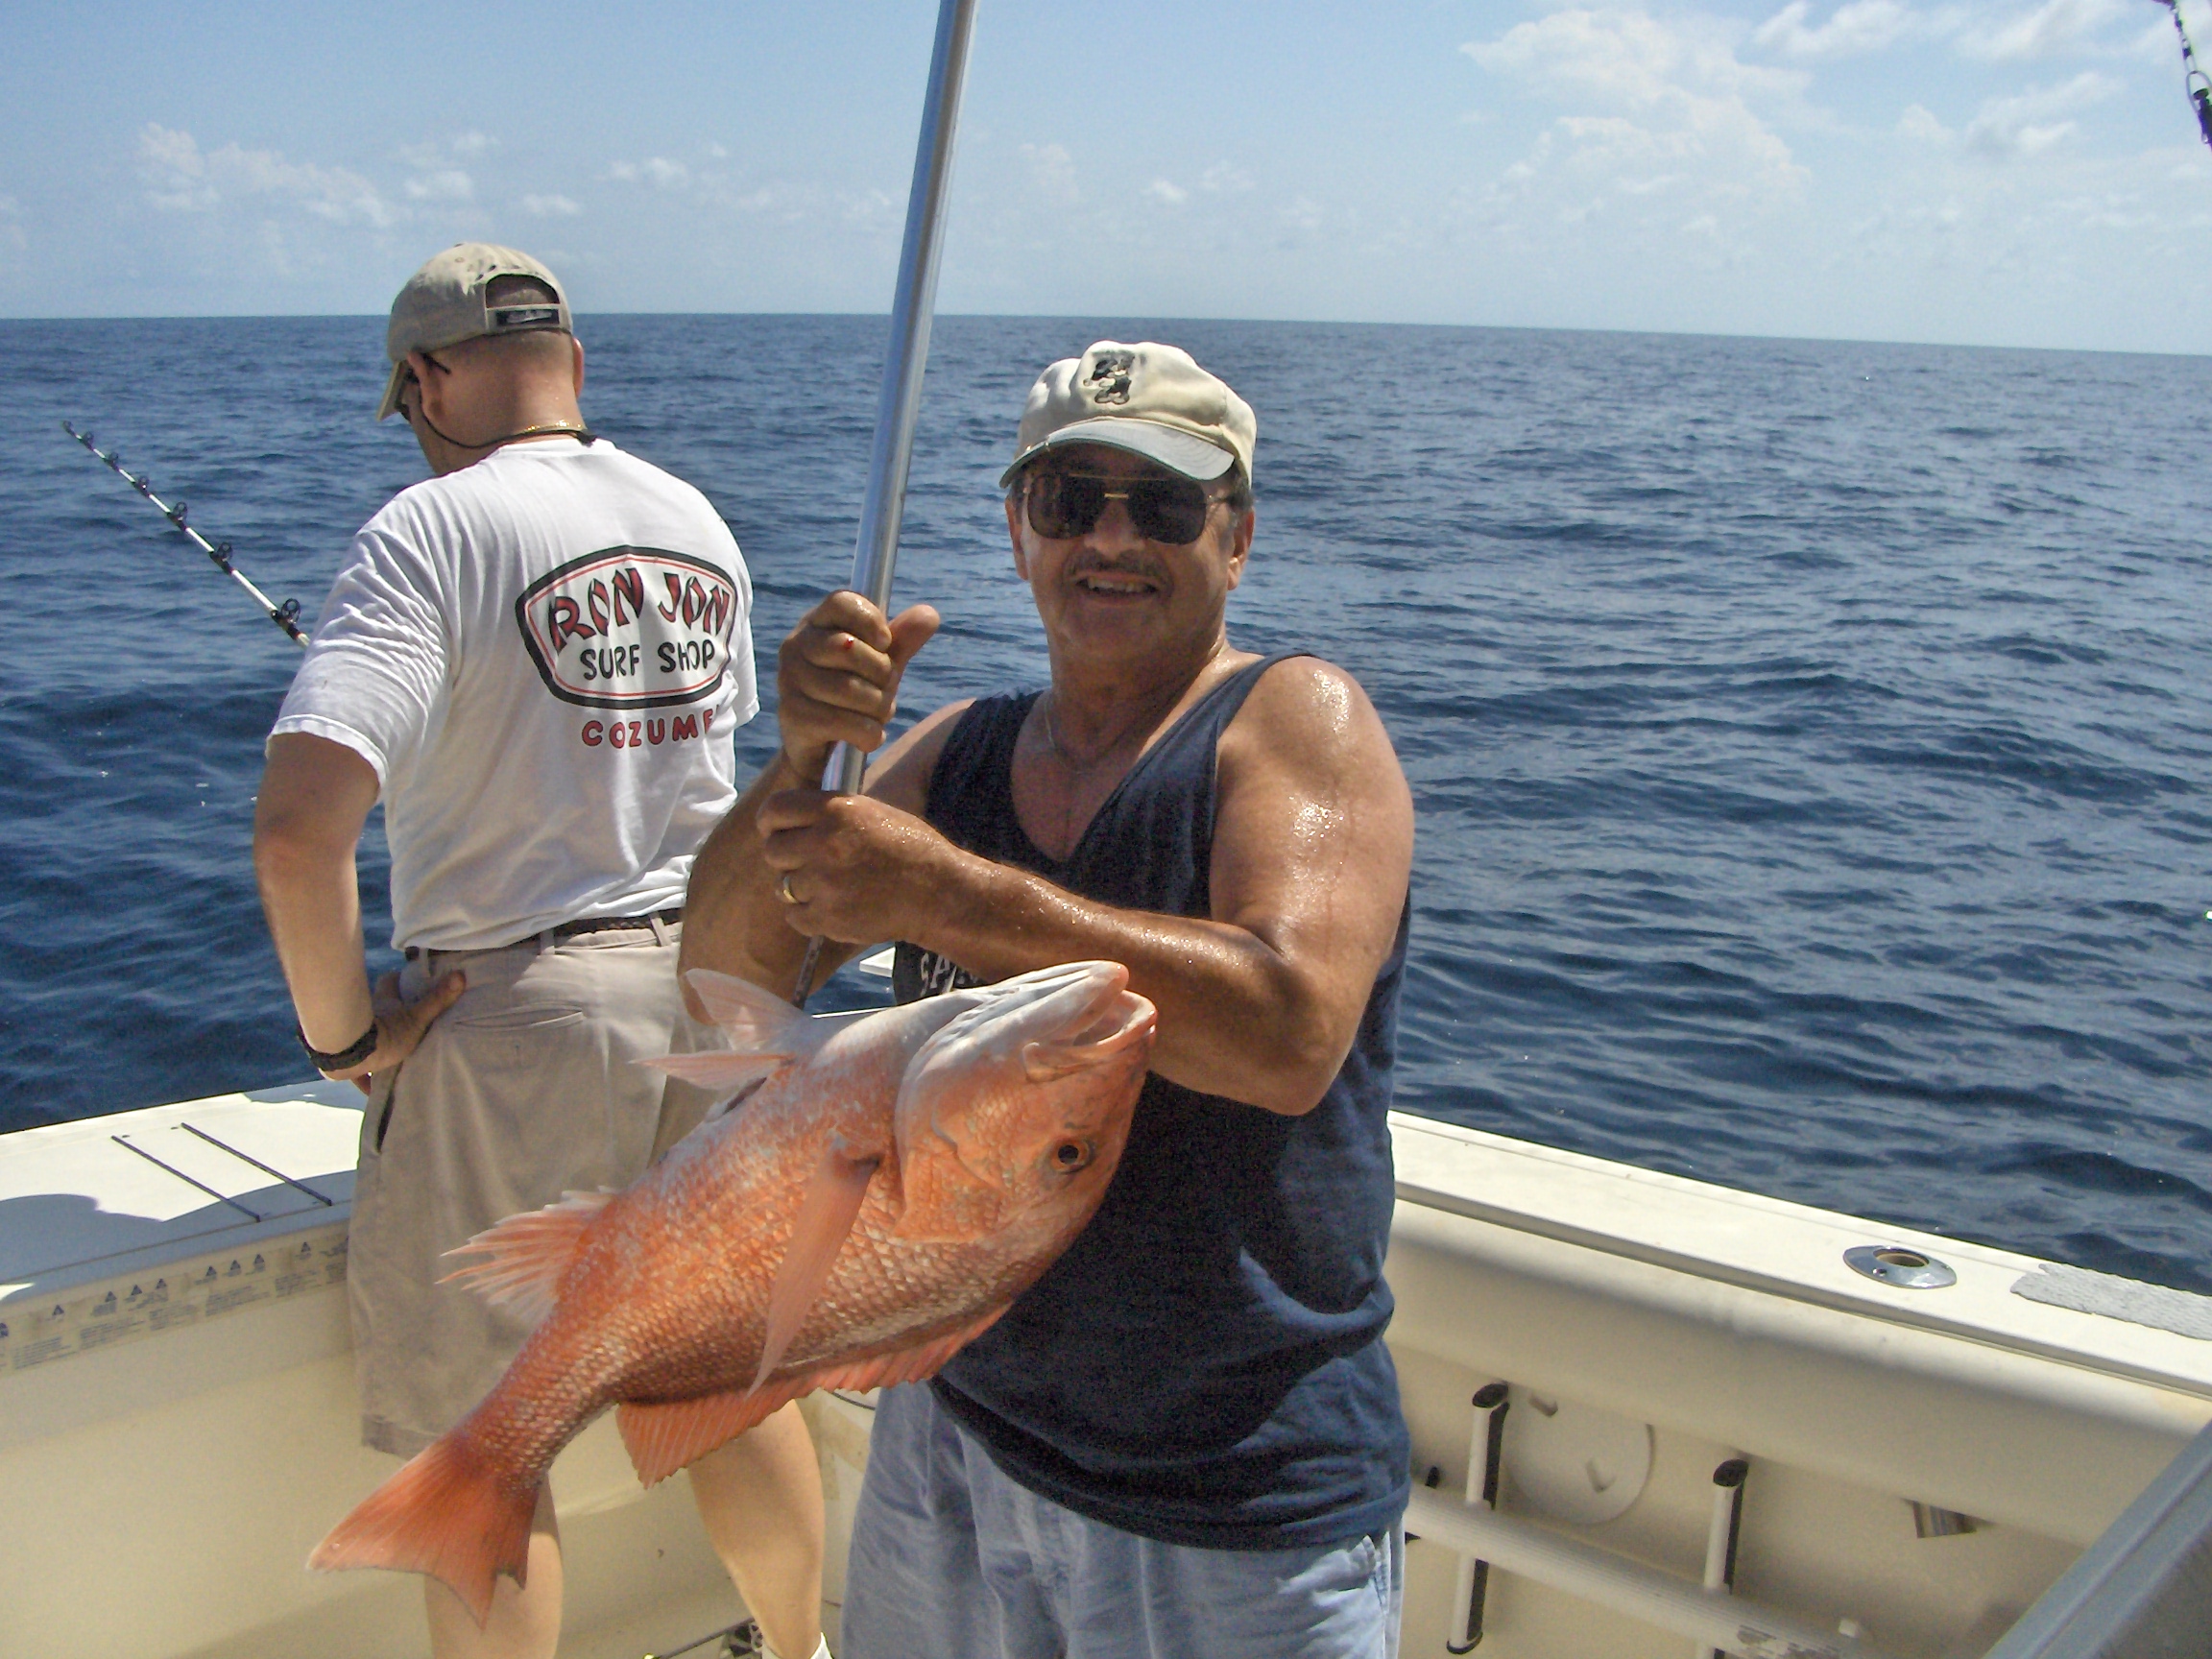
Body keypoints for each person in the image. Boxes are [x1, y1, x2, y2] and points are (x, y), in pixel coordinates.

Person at [679, 341, 1415, 1658]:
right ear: (1020, 533)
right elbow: (726, 974)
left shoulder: (1295, 718)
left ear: (1237, 537)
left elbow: (1289, 1033)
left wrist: (950, 897)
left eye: (1163, 504)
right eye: (1069, 501)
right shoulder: (957, 751)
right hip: (953, 1432)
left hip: (1226, 1499)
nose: (1109, 539)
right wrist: (799, 758)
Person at [252, 243, 829, 1659]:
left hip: (522, 1022)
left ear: (426, 378)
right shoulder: (695, 520)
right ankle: (805, 1647)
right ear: (572, 360)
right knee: (725, 1383)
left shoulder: (428, 532)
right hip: (711, 998)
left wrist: (346, 1037)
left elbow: (298, 832)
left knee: (487, 1448)